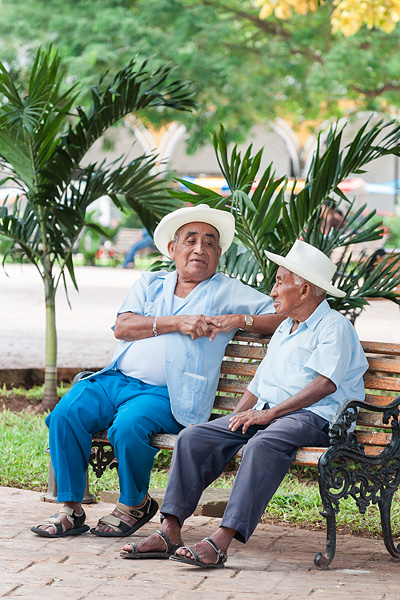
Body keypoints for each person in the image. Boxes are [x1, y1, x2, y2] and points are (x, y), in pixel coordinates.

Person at [31, 204, 282, 539]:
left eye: (209, 243)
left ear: (219, 254)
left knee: (128, 426)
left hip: (166, 393)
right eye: (190, 240)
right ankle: (71, 508)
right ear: (172, 249)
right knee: (66, 413)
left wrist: (239, 320)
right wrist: (177, 323)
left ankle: (134, 503)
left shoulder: (228, 291)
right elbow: (123, 327)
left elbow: (282, 316)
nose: (199, 248)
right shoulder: (150, 283)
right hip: (116, 378)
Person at [120, 239, 368, 567]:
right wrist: (227, 427)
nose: (273, 290)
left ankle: (220, 542)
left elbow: (325, 384)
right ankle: (170, 530)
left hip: (317, 418)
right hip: (273, 414)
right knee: (195, 438)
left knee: (262, 444)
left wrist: (270, 415)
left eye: (280, 282)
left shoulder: (333, 326)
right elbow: (259, 383)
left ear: (305, 290)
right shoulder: (286, 328)